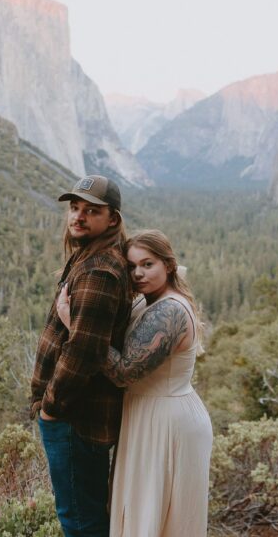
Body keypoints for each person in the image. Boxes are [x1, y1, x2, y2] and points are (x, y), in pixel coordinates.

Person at [57, 229, 212, 537]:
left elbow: (124, 372)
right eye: (131, 266)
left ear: (167, 265)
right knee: (144, 511)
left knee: (158, 515)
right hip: (146, 414)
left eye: (148, 264)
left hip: (167, 421)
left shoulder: (169, 310)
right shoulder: (147, 300)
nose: (138, 273)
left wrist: (77, 325)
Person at [30, 175, 133, 537]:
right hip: (76, 417)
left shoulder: (99, 270)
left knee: (79, 521)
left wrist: (51, 406)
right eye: (75, 208)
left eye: (92, 211)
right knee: (84, 514)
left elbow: (85, 352)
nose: (79, 216)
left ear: (113, 220)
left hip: (76, 418)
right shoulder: (90, 258)